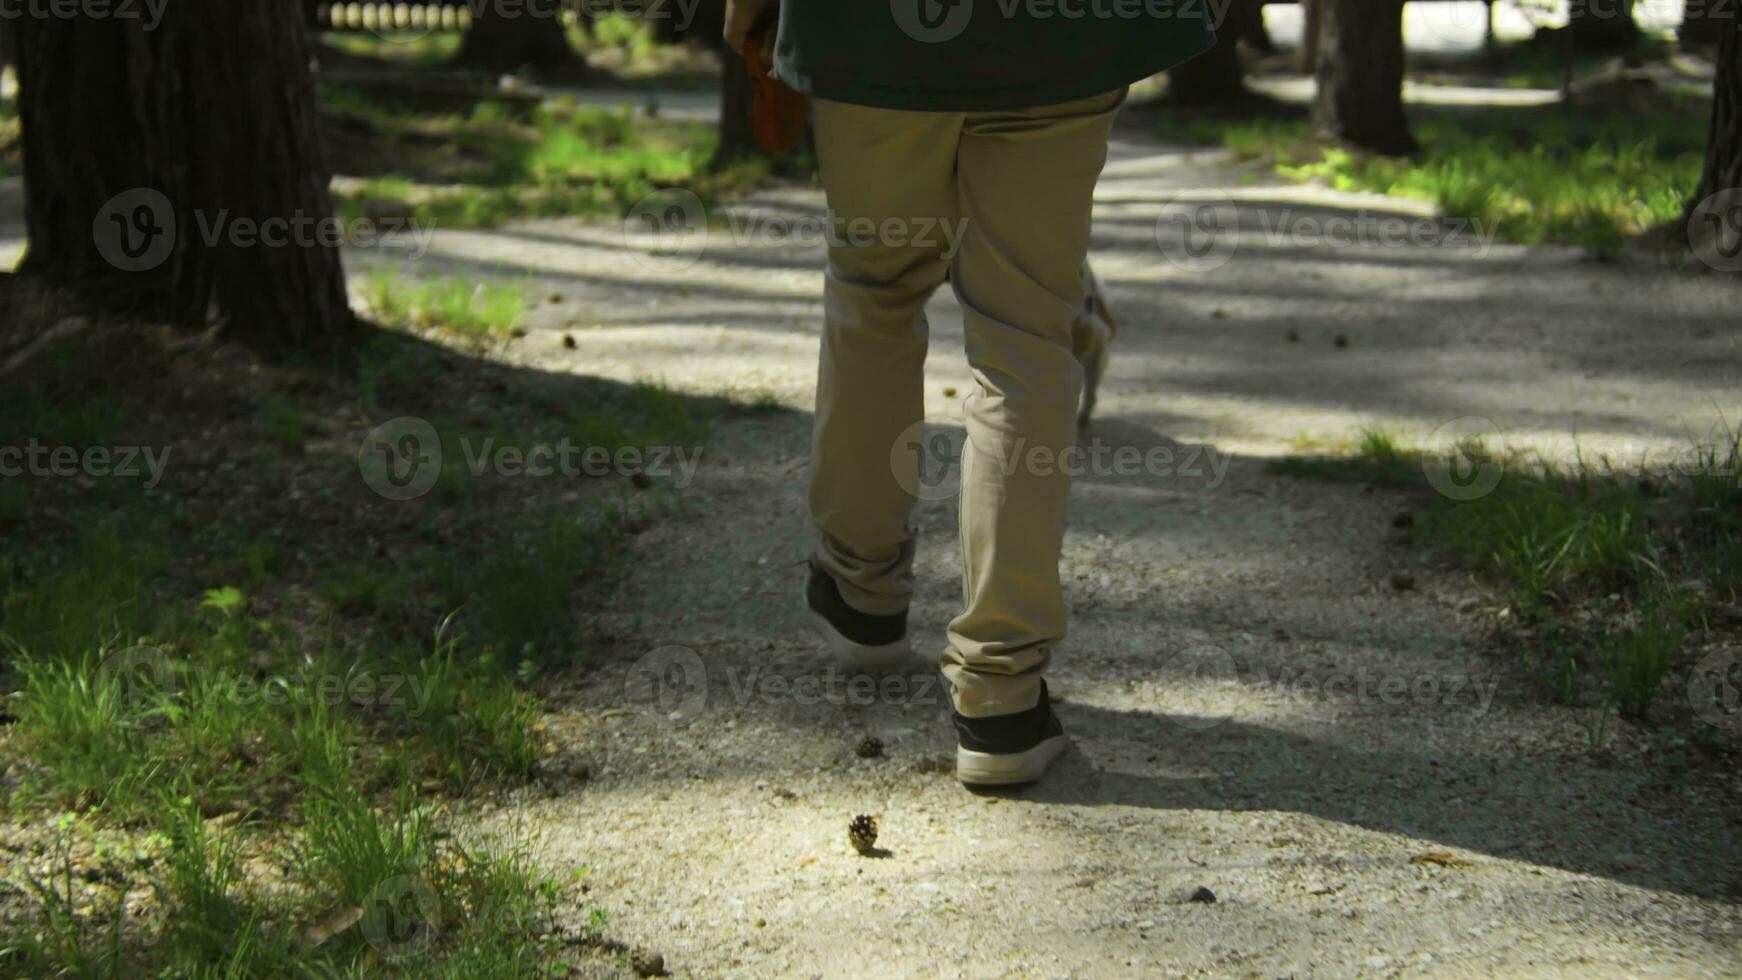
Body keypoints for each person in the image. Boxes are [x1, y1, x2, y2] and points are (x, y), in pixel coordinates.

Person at [724, 0, 1214, 786]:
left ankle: (860, 591)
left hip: (868, 33)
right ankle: (1001, 691)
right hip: (1062, 34)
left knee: (873, 289)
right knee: (1025, 327)